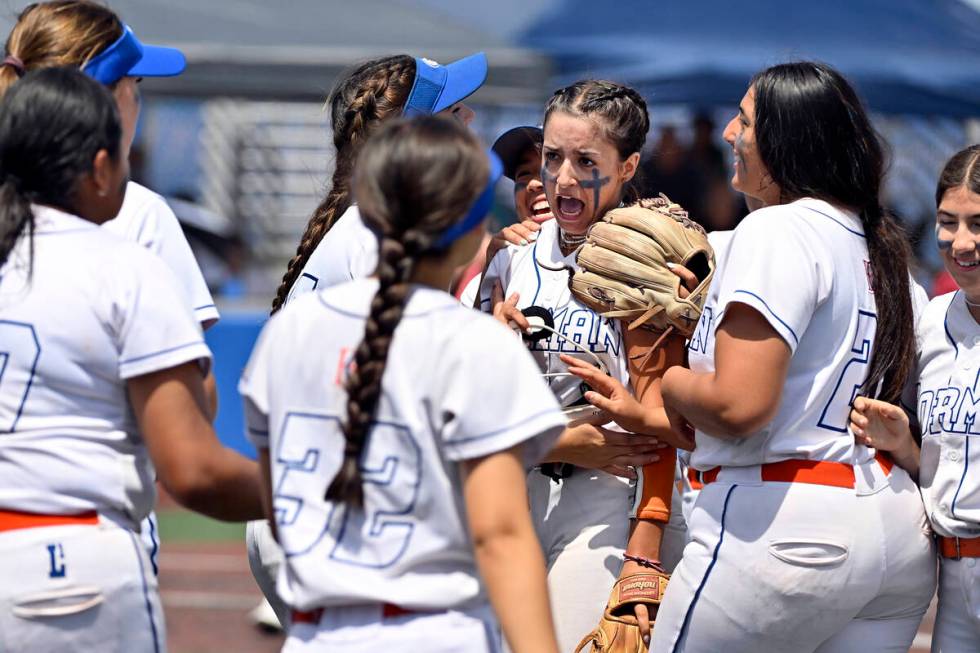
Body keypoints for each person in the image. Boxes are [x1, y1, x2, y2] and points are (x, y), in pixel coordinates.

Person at [239, 115, 564, 653]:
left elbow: (279, 503)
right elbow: (502, 536)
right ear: (471, 222)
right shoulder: (477, 344)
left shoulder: (289, 331)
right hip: (440, 632)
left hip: (317, 634)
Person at [645, 61, 935, 652]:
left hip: (783, 525)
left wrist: (668, 377)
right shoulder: (880, 248)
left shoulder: (777, 230)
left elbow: (739, 406)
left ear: (787, 142)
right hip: (892, 528)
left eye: (747, 121)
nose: (729, 131)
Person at [0, 67, 261, 653]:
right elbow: (192, 470)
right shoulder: (122, 266)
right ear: (98, 168)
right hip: (71, 569)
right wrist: (314, 489)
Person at [246, 51, 487, 627]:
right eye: (456, 110)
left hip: (299, 504)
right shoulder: (373, 237)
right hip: (335, 514)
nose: (471, 120)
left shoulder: (354, 222)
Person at [1, 0, 221, 575]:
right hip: (87, 542)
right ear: (101, 100)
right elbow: (197, 406)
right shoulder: (136, 213)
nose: (138, 103)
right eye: (136, 86)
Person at [476, 79, 690, 651]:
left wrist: (644, 554)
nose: (562, 177)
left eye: (585, 160)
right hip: (510, 497)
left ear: (628, 166)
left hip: (603, 506)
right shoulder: (510, 257)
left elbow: (658, 429)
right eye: (551, 158)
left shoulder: (645, 259)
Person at [849, 144, 980, 652]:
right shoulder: (932, 320)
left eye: (977, 223)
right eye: (949, 222)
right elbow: (943, 467)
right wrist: (905, 446)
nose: (960, 242)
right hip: (953, 578)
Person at [270, 52, 486, 311]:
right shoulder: (380, 240)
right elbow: (414, 347)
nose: (470, 116)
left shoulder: (368, 226)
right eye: (454, 111)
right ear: (413, 143)